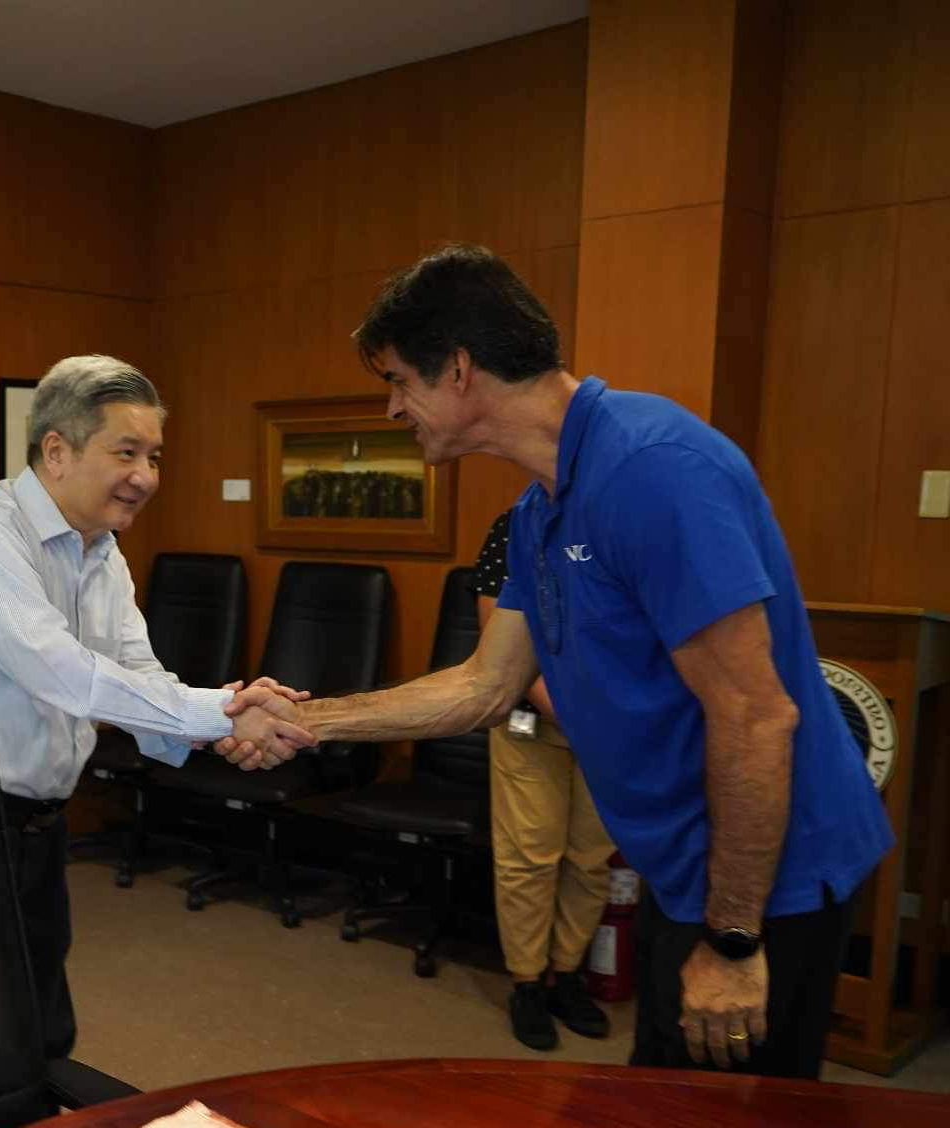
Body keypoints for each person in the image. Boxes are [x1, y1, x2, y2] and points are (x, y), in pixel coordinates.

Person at [224, 245, 894, 1078]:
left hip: (767, 882)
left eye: (399, 380)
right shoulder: (543, 508)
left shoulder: (653, 471)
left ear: (460, 370)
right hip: (687, 867)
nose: (394, 408)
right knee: (661, 1092)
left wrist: (729, 941)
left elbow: (757, 715)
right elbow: (481, 687)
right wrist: (306, 718)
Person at [0, 355, 313, 1057]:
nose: (145, 476)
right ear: (56, 451)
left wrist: (219, 721)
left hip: (33, 821)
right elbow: (63, 673)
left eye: (155, 456)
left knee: (39, 1021)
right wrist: (219, 713)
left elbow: (131, 670)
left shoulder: (99, 550)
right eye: (126, 452)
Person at [471, 510, 614, 1050]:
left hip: (611, 728)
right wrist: (569, 716)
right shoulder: (515, 526)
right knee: (529, 855)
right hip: (531, 721)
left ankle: (567, 975)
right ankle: (528, 983)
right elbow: (498, 648)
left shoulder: (621, 523)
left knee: (589, 857)